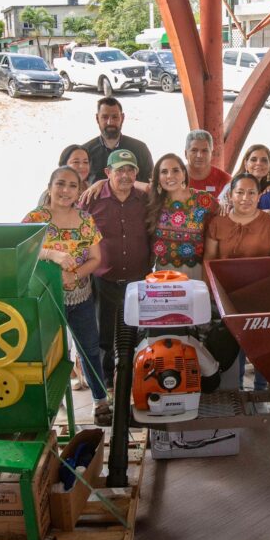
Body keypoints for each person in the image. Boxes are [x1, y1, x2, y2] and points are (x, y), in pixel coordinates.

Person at [22, 167, 112, 425]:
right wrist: (52, 254)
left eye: (72, 185)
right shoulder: (35, 218)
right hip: (46, 299)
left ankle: (100, 400)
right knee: (50, 352)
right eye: (60, 184)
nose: (65, 190)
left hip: (80, 297)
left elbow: (96, 258)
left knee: (89, 348)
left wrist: (75, 275)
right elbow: (22, 251)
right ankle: (53, 402)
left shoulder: (85, 219)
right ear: (50, 187)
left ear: (79, 191)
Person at [205, 173, 270, 390]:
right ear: (231, 195)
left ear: (258, 196)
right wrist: (211, 294)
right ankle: (235, 388)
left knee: (263, 343)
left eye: (251, 192)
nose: (245, 198)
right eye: (240, 192)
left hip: (262, 294)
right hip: (228, 295)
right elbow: (209, 260)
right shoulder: (217, 222)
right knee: (233, 341)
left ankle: (261, 389)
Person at [79, 150, 151, 388]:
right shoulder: (91, 200)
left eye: (130, 170)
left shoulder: (145, 200)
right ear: (108, 172)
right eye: (119, 170)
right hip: (104, 280)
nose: (125, 175)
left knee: (139, 332)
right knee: (104, 336)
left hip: (138, 281)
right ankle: (107, 385)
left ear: (137, 174)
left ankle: (137, 380)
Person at [147, 153, 218, 280]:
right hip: (163, 273)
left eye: (175, 170)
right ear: (158, 177)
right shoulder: (154, 202)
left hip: (197, 272)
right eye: (164, 172)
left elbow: (222, 215)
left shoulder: (203, 199)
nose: (170, 176)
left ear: (184, 174)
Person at [82, 97, 154, 184]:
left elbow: (151, 185)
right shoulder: (85, 152)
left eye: (115, 117)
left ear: (122, 118)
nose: (110, 122)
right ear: (97, 119)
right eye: (105, 117)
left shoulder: (140, 149)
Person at [185, 129, 232, 196]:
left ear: (212, 154)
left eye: (204, 151)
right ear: (186, 154)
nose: (199, 155)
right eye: (194, 150)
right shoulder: (174, 178)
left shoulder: (226, 181)